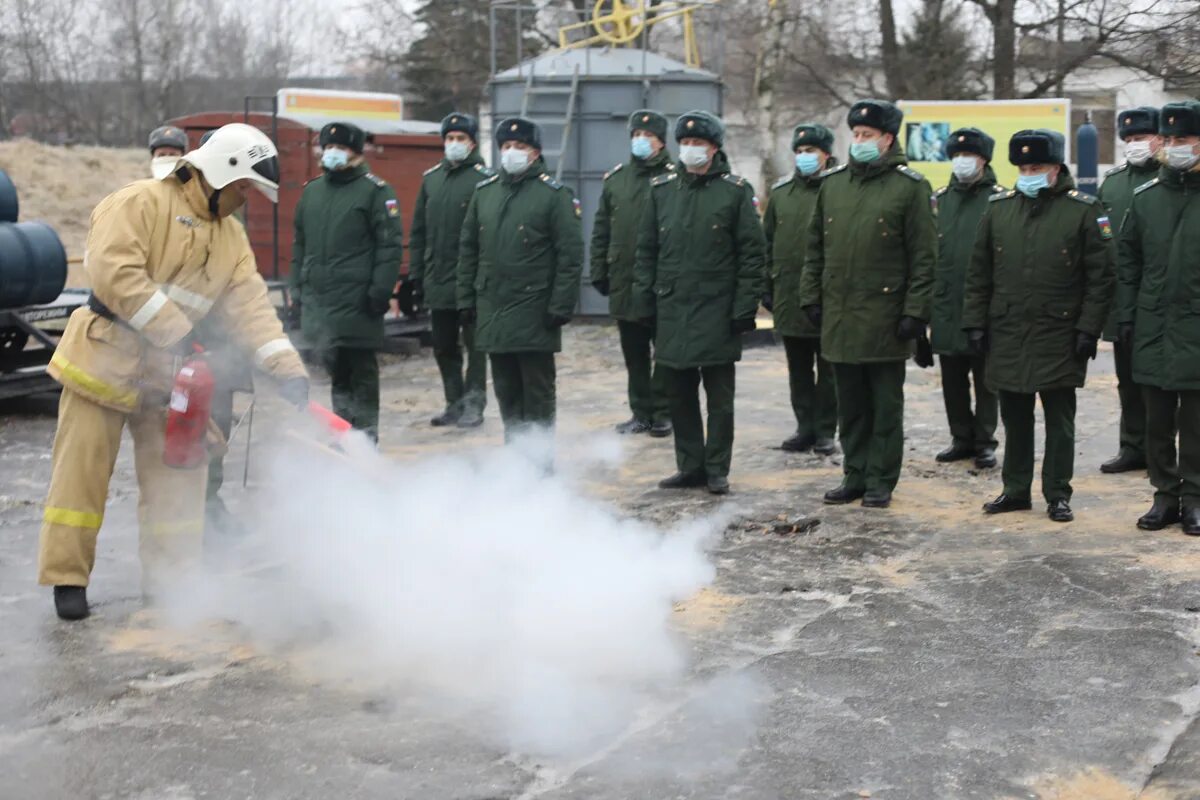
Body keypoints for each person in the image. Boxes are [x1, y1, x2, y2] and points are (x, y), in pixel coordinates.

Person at [38, 123, 310, 620]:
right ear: (224, 170)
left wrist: (284, 366)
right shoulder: (141, 202)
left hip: (168, 376)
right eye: (245, 186)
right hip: (103, 358)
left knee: (178, 480)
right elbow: (114, 271)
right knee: (80, 478)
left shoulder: (231, 237)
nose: (246, 198)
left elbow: (250, 307)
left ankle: (170, 583)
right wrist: (174, 329)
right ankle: (67, 580)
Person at [963, 129, 1114, 523]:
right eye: (1024, 167)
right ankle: (1015, 490)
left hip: (1059, 333)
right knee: (1014, 416)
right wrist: (974, 323)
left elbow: (1100, 277)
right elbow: (979, 273)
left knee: (1059, 420)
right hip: (1008, 330)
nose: (1029, 173)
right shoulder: (999, 209)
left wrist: (1088, 329)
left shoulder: (1083, 210)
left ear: (1056, 167)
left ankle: (1057, 493)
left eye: (1038, 167)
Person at [798, 99, 936, 509]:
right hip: (839, 314)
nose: (858, 141)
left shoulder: (910, 188)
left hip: (885, 318)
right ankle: (854, 474)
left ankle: (881, 479)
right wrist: (810, 296)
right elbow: (815, 248)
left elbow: (925, 256)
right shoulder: (833, 185)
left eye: (867, 136)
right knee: (850, 405)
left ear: (887, 139)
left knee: (884, 406)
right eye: (855, 135)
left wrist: (915, 312)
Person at [633, 110, 765, 495]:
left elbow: (752, 255)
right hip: (673, 309)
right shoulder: (661, 191)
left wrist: (744, 308)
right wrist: (645, 301)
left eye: (698, 144)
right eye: (685, 143)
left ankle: (717, 467)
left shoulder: (735, 192)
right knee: (679, 394)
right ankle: (689, 465)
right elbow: (646, 251)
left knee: (720, 399)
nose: (690, 150)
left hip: (718, 311)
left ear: (714, 148)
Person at [457, 117, 583, 442]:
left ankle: (540, 465)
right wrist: (466, 299)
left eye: (520, 146)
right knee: (506, 389)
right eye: (506, 146)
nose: (512, 152)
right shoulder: (484, 193)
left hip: (535, 310)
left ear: (535, 152)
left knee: (537, 393)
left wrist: (561, 304)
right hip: (493, 307)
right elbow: (469, 250)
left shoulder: (554, 196)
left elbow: (569, 255)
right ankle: (516, 462)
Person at [1116, 100, 1200, 534]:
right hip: (1153, 324)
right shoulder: (1146, 198)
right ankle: (1164, 494)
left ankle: (1195, 497)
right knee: (1157, 419)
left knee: (1196, 421)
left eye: (1182, 139)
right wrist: (1126, 315)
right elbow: (1128, 260)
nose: (1172, 147)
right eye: (1167, 140)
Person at [290, 121, 403, 442]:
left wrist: (380, 291)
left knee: (362, 373)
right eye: (328, 147)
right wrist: (297, 285)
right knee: (336, 372)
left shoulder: (375, 192)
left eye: (340, 148)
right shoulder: (312, 192)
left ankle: (366, 439)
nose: (333, 153)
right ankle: (343, 436)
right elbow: (300, 244)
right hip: (322, 302)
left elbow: (389, 247)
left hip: (359, 301)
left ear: (355, 152)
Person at [590, 109, 676, 438]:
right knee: (634, 353)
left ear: (661, 141)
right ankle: (640, 412)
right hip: (624, 280)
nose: (640, 141)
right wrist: (599, 270)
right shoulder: (617, 180)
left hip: (661, 282)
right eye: (635, 136)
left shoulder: (674, 177)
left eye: (647, 136)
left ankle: (663, 412)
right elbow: (601, 230)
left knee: (664, 351)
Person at [409, 112, 494, 428]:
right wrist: (417, 275)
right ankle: (453, 403)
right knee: (444, 346)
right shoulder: (431, 180)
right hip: (439, 279)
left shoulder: (485, 179)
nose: (454, 144)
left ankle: (474, 406)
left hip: (472, 283)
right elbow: (419, 231)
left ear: (472, 142)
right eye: (449, 138)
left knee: (476, 348)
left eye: (460, 138)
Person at [930, 127, 1004, 470]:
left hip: (985, 306)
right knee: (952, 378)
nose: (961, 161)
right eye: (956, 155)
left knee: (986, 379)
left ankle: (985, 440)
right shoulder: (940, 200)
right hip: (946, 305)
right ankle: (960, 437)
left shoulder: (1000, 200)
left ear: (983, 159)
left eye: (968, 155)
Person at [763, 123, 838, 455]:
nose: (805, 157)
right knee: (798, 369)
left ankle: (826, 430)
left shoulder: (837, 190)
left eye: (812, 151)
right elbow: (765, 245)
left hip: (827, 298)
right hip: (789, 295)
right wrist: (765, 287)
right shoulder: (781, 194)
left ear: (826, 155)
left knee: (829, 371)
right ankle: (804, 427)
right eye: (800, 151)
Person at [1097, 107, 1162, 475]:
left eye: (1142, 137)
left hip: (1159, 297)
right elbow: (1105, 236)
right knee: (1128, 380)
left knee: (1160, 384)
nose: (1136, 145)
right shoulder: (1113, 182)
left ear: (1159, 139)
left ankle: (1160, 451)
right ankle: (1132, 445)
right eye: (1130, 139)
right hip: (1121, 299)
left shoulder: (1170, 178)